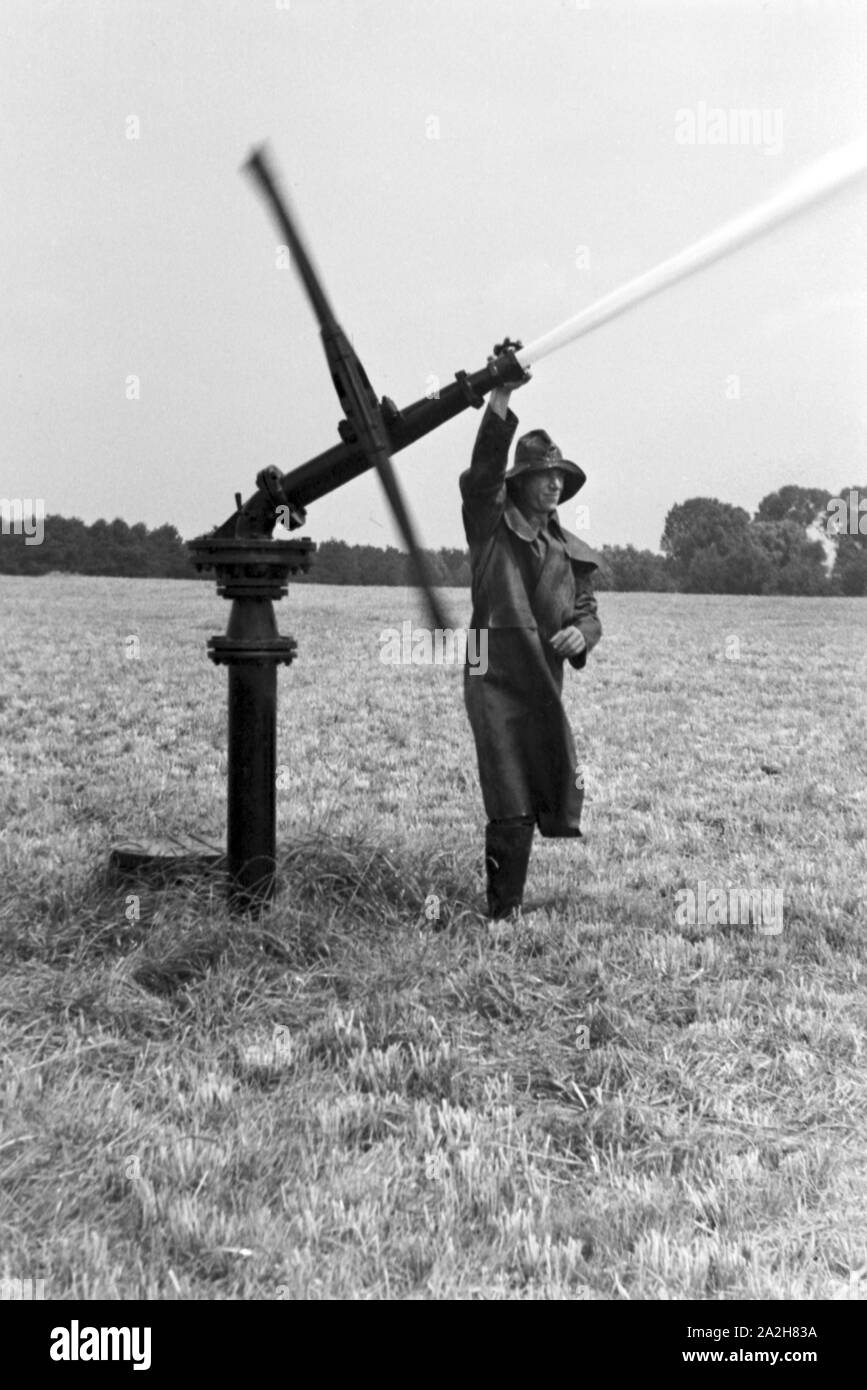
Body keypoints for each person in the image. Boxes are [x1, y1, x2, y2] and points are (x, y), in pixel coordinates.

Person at [460, 368, 602, 920]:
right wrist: (500, 398)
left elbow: (589, 614)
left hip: (543, 678)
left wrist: (579, 635)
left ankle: (509, 906)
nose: (554, 484)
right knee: (507, 788)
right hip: (489, 671)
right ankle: (503, 914)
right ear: (518, 482)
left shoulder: (572, 551)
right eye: (543, 475)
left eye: (559, 477)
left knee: (543, 776)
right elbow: (481, 477)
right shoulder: (489, 526)